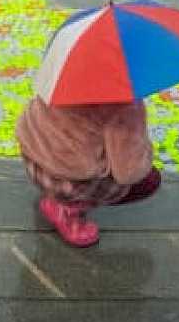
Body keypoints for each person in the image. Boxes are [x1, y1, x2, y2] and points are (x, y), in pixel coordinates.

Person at [16, 96, 162, 247]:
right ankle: (66, 211)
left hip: (35, 160)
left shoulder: (60, 81)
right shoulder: (124, 106)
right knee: (149, 181)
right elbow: (127, 172)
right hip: (67, 181)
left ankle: (56, 196)